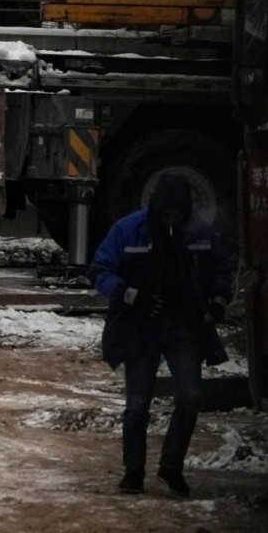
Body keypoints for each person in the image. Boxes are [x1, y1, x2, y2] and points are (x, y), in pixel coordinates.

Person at [88, 173, 232, 498]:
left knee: (190, 397)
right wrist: (130, 295)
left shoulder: (200, 234)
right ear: (155, 209)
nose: (171, 220)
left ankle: (171, 466)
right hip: (140, 328)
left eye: (177, 214)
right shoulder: (128, 230)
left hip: (183, 328)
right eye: (165, 213)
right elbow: (99, 271)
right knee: (137, 404)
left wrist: (218, 302)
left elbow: (223, 270)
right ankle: (133, 472)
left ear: (186, 211)